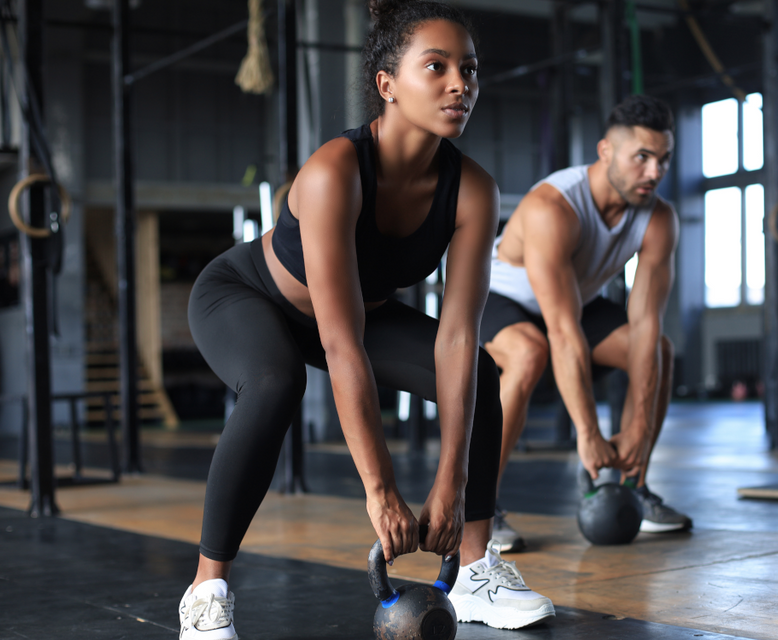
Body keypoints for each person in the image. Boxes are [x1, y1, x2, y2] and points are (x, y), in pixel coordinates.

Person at [179, 1, 554, 637]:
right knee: (275, 384)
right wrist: (380, 491)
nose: (460, 83)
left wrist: (451, 485)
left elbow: (458, 335)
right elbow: (339, 341)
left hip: (363, 315)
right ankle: (205, 591)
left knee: (483, 374)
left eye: (468, 68)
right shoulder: (335, 170)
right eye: (435, 67)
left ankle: (475, 571)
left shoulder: (473, 190)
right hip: (247, 295)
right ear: (387, 85)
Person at [482, 95, 691, 552]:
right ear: (605, 152)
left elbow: (647, 325)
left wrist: (636, 428)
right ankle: (479, 506)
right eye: (642, 158)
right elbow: (563, 331)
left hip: (576, 302)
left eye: (663, 159)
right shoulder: (552, 208)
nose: (655, 172)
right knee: (529, 351)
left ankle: (635, 486)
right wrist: (589, 434)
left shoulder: (658, 219)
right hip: (502, 298)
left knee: (661, 349)